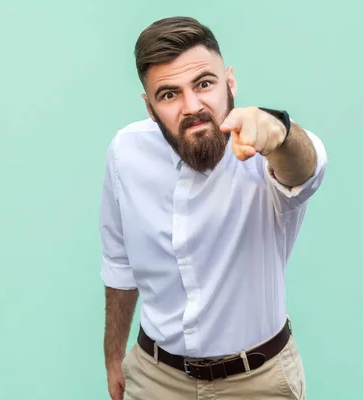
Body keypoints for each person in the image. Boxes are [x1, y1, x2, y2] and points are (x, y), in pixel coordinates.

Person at [99, 16, 328, 400]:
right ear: (151, 108)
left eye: (204, 84)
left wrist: (280, 132)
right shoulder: (125, 152)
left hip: (259, 382)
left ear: (230, 82)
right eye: (169, 95)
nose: (192, 106)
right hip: (155, 379)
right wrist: (113, 357)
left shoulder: (264, 150)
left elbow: (305, 169)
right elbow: (119, 263)